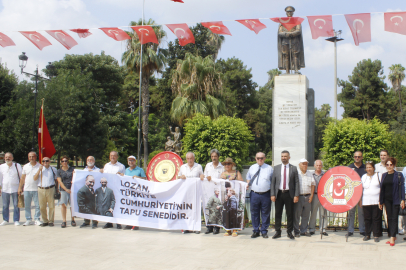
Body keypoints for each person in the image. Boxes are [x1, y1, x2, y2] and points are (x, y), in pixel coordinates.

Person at [271, 150, 299, 240]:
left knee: (290, 214)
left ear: (289, 157)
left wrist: (296, 195)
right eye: (282, 156)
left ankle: (289, 232)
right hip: (279, 194)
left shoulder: (293, 168)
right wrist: (272, 194)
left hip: (289, 194)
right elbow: (273, 183)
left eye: (285, 156)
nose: (284, 158)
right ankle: (278, 232)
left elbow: (296, 183)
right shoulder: (276, 168)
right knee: (278, 213)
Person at [246, 152, 273, 238]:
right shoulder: (252, 167)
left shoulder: (269, 168)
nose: (260, 160)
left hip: (266, 194)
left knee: (266, 213)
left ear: (265, 158)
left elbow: (273, 182)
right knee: (254, 213)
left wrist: (272, 194)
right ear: (255, 158)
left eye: (261, 158)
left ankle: (264, 230)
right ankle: (256, 230)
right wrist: (248, 185)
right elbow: (248, 178)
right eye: (258, 158)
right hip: (254, 194)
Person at [379, 157, 405, 246]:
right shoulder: (384, 175)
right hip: (387, 200)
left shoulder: (399, 175)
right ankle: (392, 235)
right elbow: (382, 189)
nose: (389, 166)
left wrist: (403, 200)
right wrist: (380, 201)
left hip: (396, 199)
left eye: (391, 165)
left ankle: (392, 238)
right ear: (385, 165)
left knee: (394, 218)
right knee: (389, 218)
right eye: (387, 164)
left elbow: (402, 188)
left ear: (394, 165)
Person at [178, 152, 203, 234]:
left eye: (191, 158)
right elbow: (177, 177)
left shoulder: (198, 166)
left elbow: (202, 177)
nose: (189, 160)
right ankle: (187, 228)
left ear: (194, 158)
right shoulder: (182, 167)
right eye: (188, 158)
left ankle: (196, 228)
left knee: (196, 210)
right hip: (186, 193)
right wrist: (180, 177)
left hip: (196, 192)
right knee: (186, 210)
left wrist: (202, 176)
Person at [201, 149, 224, 234]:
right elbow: (204, 176)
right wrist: (205, 177)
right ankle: (209, 227)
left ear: (218, 157)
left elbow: (225, 177)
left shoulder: (222, 167)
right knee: (209, 208)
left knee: (217, 209)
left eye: (215, 156)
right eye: (212, 156)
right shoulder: (208, 165)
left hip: (217, 191)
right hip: (208, 190)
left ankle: (216, 227)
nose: (213, 158)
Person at [220, 158, 243, 237]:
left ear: (232, 165)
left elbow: (242, 183)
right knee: (227, 212)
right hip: (226, 197)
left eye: (228, 164)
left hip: (234, 195)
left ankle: (235, 229)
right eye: (225, 164)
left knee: (234, 212)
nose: (227, 165)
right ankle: (228, 229)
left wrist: (235, 179)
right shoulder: (222, 174)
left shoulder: (237, 173)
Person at [102, 151, 125, 229]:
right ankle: (109, 222)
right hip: (107, 189)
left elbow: (125, 178)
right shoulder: (106, 166)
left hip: (117, 189)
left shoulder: (121, 166)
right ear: (109, 156)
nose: (112, 157)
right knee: (108, 205)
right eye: (111, 155)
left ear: (117, 157)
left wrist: (122, 176)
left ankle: (118, 223)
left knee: (117, 206)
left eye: (114, 156)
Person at [293, 158, 315, 237]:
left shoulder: (310, 173)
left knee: (306, 215)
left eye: (306, 164)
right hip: (299, 197)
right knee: (297, 215)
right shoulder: (296, 173)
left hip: (308, 197)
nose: (305, 165)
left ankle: (303, 231)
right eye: (303, 164)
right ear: (299, 165)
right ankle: (296, 231)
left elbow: (313, 184)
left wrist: (312, 195)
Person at [34, 156, 58, 227]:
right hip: (41, 189)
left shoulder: (53, 169)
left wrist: (57, 189)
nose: (45, 162)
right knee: (42, 206)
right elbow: (34, 178)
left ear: (49, 161)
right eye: (43, 161)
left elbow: (56, 179)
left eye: (47, 161)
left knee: (51, 206)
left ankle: (51, 221)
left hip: (50, 188)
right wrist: (39, 170)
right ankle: (45, 220)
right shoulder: (39, 168)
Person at [19, 152, 41, 226]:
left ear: (36, 157)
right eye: (30, 157)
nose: (31, 158)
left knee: (38, 205)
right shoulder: (25, 166)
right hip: (27, 189)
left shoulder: (40, 166)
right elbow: (22, 178)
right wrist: (20, 187)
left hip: (37, 189)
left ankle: (37, 219)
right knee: (27, 205)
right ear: (28, 158)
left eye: (33, 156)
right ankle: (28, 219)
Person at [346, 150, 366, 237]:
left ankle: (362, 230)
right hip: (351, 193)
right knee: (351, 212)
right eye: (355, 157)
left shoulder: (365, 168)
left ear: (362, 157)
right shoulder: (349, 167)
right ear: (353, 157)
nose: (357, 158)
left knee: (361, 212)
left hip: (362, 193)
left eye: (359, 156)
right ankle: (350, 230)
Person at [361, 161, 382, 242]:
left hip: (376, 201)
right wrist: (360, 201)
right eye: (367, 167)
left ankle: (376, 235)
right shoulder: (363, 177)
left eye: (370, 167)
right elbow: (360, 189)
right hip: (366, 201)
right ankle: (367, 234)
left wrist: (381, 200)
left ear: (373, 168)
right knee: (367, 218)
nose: (369, 169)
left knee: (376, 218)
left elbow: (382, 188)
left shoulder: (379, 175)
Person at [0, 152, 22, 226]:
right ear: (4, 158)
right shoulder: (1, 166)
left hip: (15, 188)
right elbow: (0, 178)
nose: (7, 158)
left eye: (9, 157)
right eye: (6, 157)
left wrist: (21, 187)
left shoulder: (17, 166)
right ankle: (5, 219)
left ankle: (16, 220)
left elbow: (21, 177)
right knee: (5, 205)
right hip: (5, 189)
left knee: (16, 205)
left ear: (12, 158)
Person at [124, 155, 145, 230]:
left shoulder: (140, 170)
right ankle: (129, 224)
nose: (131, 162)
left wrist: (138, 178)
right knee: (129, 208)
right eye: (129, 160)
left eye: (132, 160)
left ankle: (136, 224)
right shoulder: (126, 170)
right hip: (128, 193)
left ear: (135, 161)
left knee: (136, 209)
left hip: (137, 193)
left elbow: (145, 179)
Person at [308, 160, 328, 236]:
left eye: (320, 165)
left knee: (323, 213)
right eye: (317, 165)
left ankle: (323, 229)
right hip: (314, 195)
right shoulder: (311, 174)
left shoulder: (325, 174)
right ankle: (312, 229)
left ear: (322, 166)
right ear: (314, 165)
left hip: (323, 196)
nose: (319, 166)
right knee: (313, 213)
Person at [56, 156, 76, 228]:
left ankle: (73, 219)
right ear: (61, 162)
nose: (64, 162)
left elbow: (76, 178)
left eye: (65, 161)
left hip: (72, 190)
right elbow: (60, 181)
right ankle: (64, 221)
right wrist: (65, 189)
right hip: (63, 190)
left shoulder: (72, 169)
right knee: (63, 205)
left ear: (68, 161)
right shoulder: (59, 171)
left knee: (72, 205)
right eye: (62, 161)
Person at [81, 156, 99, 229]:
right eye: (88, 159)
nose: (89, 161)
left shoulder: (98, 170)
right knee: (86, 205)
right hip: (86, 192)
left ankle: (95, 222)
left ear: (94, 161)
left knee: (94, 206)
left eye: (91, 160)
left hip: (95, 191)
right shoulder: (83, 170)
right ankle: (86, 221)